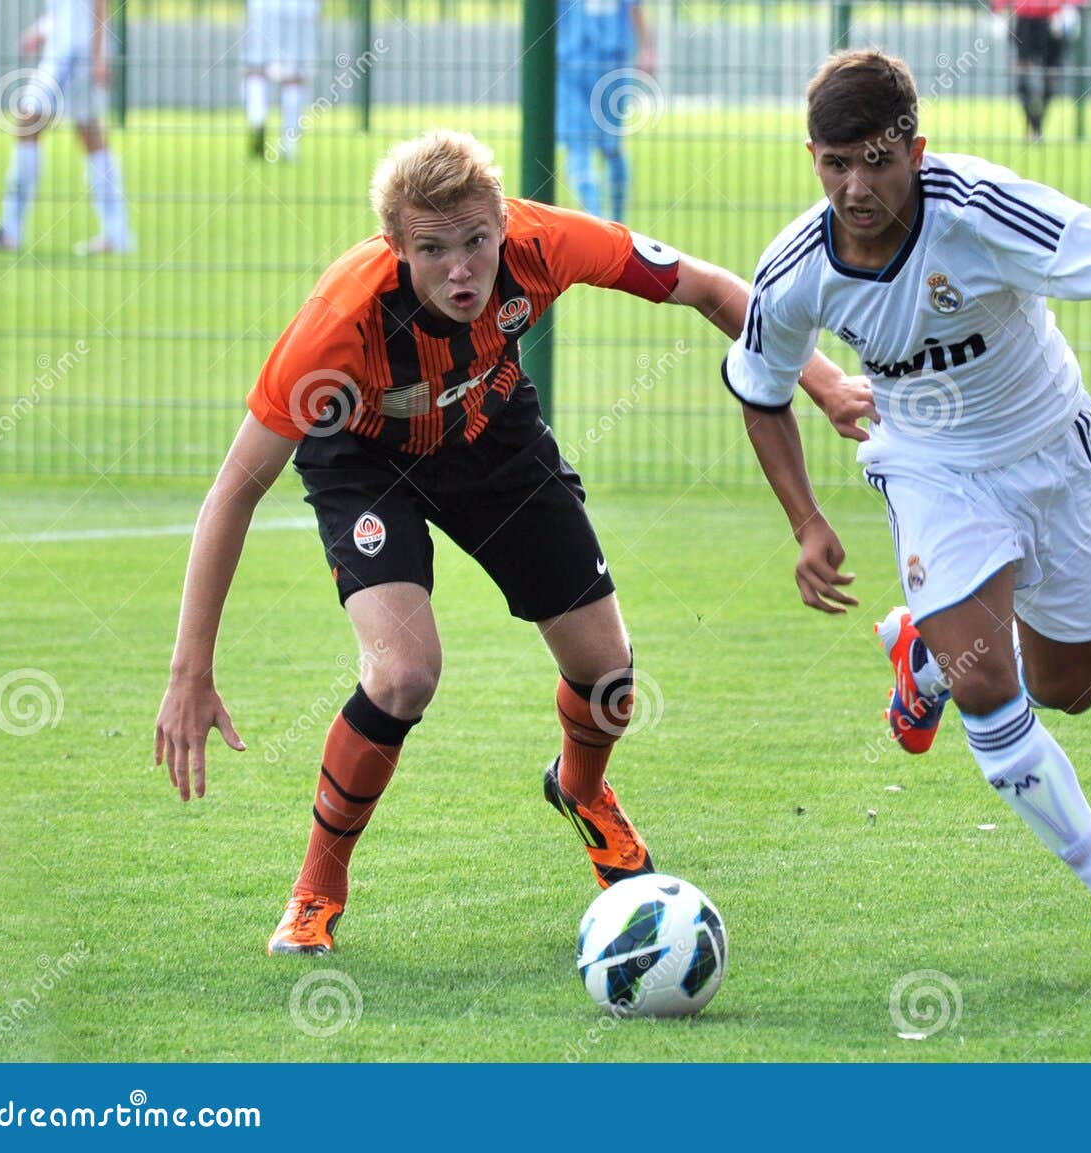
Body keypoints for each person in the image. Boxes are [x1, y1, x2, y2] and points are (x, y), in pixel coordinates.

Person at [153, 130, 867, 956]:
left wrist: (821, 382)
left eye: (476, 242)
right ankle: (317, 888)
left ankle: (582, 790)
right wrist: (191, 670)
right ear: (395, 248)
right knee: (403, 673)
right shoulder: (337, 329)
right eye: (432, 250)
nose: (461, 269)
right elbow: (233, 490)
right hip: (364, 459)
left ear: (502, 222)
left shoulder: (546, 242)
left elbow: (710, 289)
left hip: (491, 432)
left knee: (608, 675)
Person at [723, 52, 1091, 984]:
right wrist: (807, 521)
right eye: (834, 163)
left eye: (877, 162)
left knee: (1069, 687)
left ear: (915, 151)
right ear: (811, 156)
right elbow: (761, 389)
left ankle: (925, 654)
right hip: (928, 469)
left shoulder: (979, 209)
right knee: (989, 690)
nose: (855, 187)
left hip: (1050, 451)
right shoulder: (798, 269)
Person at [0, 0, 133, 254]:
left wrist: (98, 56)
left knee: (29, 121)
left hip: (75, 53)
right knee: (89, 134)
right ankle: (117, 234)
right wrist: (41, 30)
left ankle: (11, 230)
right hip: (68, 50)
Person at [557, 0, 656, 220]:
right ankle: (608, 224)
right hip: (593, 64)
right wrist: (647, 49)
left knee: (590, 147)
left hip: (589, 64)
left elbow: (634, 8)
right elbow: (635, 8)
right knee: (599, 147)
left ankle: (603, 224)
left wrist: (647, 49)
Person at [992, 0, 1085, 142]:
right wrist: (998, 10)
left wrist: (1070, 9)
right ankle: (1034, 126)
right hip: (1025, 19)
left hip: (1054, 19)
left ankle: (1036, 127)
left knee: (1050, 79)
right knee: (1023, 78)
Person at [242, 0, 320, 162]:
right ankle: (289, 143)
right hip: (301, 8)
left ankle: (257, 119)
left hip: (264, 6)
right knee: (294, 75)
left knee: (257, 67)